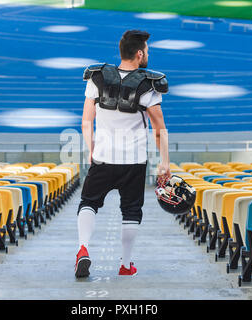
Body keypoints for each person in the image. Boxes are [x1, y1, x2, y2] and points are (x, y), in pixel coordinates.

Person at [75, 29, 171, 278]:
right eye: (147, 51)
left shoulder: (96, 78)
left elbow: (86, 121)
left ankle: (83, 249)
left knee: (88, 203)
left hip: (103, 157)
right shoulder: (149, 85)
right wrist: (165, 162)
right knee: (130, 211)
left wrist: (91, 148)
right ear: (139, 54)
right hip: (134, 161)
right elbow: (159, 129)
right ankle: (126, 265)